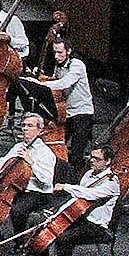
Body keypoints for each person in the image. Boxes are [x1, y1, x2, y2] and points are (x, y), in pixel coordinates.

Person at [33, 145, 120, 256]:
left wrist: (66, 186)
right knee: (41, 225)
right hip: (81, 218)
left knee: (65, 238)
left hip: (97, 226)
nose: (92, 161)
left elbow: (89, 194)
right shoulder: (88, 174)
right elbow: (75, 201)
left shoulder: (112, 183)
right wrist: (55, 215)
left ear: (108, 161)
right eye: (91, 157)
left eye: (97, 159)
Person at [0, 113, 56, 250]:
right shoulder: (19, 146)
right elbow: (5, 161)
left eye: (30, 126)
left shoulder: (45, 152)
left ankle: (19, 241)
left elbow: (46, 180)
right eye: (23, 125)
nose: (25, 129)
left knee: (17, 210)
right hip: (15, 187)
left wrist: (30, 162)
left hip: (37, 192)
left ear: (40, 130)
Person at [35, 35, 94, 170]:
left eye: (60, 52)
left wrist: (41, 84)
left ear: (69, 51)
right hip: (66, 113)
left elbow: (65, 82)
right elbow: (56, 79)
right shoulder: (59, 65)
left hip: (82, 113)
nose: (56, 56)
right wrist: (44, 78)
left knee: (76, 153)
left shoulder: (77, 65)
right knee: (57, 144)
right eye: (54, 52)